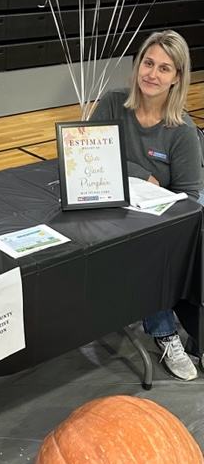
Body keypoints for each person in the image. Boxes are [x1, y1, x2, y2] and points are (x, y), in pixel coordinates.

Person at [92, 29, 203, 381]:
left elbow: (191, 198)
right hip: (108, 208)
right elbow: (87, 149)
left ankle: (168, 332)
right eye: (148, 63)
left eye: (164, 68)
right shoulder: (112, 102)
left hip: (160, 223)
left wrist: (150, 190)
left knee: (153, 249)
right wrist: (141, 173)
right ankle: (161, 329)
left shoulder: (182, 130)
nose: (152, 74)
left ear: (177, 78)